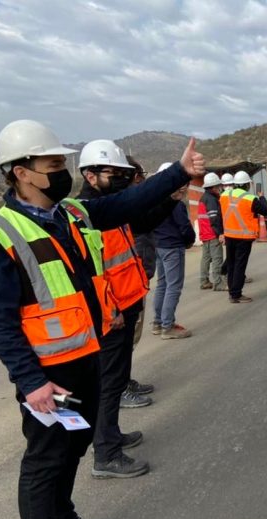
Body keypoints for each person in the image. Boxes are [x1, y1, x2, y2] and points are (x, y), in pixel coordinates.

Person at [0, 119, 204, 519]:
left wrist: (178, 173)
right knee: (46, 459)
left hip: (84, 357)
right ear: (20, 171)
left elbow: (126, 203)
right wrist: (31, 382)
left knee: (74, 447)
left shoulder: (70, 214)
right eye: (52, 163)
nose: (62, 170)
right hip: (47, 375)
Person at [77, 140, 177, 480]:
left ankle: (112, 436)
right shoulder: (85, 215)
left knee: (116, 379)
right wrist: (111, 311)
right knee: (107, 385)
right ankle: (106, 454)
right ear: (91, 176)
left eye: (126, 174)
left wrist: (170, 199)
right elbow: (90, 273)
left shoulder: (109, 207)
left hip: (126, 302)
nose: (122, 179)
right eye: (115, 173)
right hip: (111, 314)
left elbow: (143, 222)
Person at [123, 156, 156, 404]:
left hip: (135, 282)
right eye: (137, 177)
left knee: (131, 338)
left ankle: (124, 379)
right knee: (122, 342)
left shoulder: (128, 207)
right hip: (121, 291)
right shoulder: (114, 208)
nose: (140, 181)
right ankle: (118, 387)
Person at [151, 163, 196, 338]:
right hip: (172, 246)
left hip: (159, 245)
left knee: (162, 284)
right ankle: (167, 326)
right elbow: (183, 225)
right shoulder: (174, 202)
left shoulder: (154, 198)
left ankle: (158, 322)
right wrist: (190, 240)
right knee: (173, 286)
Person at [220, 170, 267, 303]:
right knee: (240, 265)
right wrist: (262, 197)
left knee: (231, 264)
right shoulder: (250, 198)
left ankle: (232, 292)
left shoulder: (224, 195)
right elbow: (266, 211)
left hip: (229, 235)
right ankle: (236, 294)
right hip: (244, 237)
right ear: (247, 185)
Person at [198, 172, 226, 291]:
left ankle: (204, 281)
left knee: (206, 258)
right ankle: (218, 284)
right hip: (212, 234)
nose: (219, 189)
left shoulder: (203, 198)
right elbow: (214, 218)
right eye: (218, 186)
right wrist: (219, 233)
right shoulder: (212, 200)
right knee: (217, 259)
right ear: (213, 187)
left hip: (204, 234)